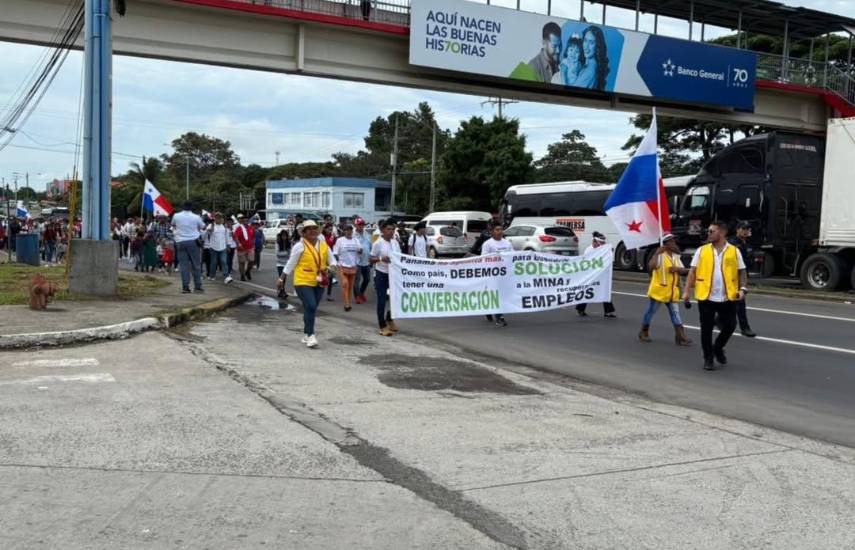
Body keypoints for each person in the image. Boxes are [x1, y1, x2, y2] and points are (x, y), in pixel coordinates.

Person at [683, 221, 748, 371]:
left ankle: (718, 347)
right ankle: (708, 357)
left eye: (712, 231)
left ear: (722, 233)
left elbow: (742, 271)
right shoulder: (702, 250)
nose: (709, 233)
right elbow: (692, 271)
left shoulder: (734, 251)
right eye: (709, 231)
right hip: (706, 296)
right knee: (706, 329)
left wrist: (743, 289)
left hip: (728, 296)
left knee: (730, 326)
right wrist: (686, 291)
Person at [278, 220, 337, 348]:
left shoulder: (323, 245)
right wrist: (281, 279)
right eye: (308, 229)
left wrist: (331, 268)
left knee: (311, 308)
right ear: (303, 233)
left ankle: (306, 334)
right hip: (302, 281)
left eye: (314, 228)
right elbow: (290, 264)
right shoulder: (299, 246)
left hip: (320, 280)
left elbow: (333, 261)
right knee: (311, 304)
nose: (312, 231)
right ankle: (311, 335)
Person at [638, 234, 692, 346]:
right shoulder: (660, 256)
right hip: (659, 291)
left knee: (675, 313)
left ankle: (680, 336)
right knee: (651, 312)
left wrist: (678, 269)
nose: (674, 243)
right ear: (666, 244)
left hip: (672, 292)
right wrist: (657, 253)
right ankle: (643, 332)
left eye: (674, 241)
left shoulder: (676, 256)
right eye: (671, 241)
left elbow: (682, 270)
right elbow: (651, 267)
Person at [371, 219, 401, 336]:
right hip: (381, 274)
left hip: (393, 275)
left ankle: (389, 318)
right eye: (388, 229)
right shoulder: (378, 243)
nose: (391, 231)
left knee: (395, 300)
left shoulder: (395, 243)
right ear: (383, 230)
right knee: (382, 301)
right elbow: (371, 258)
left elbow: (399, 257)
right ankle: (382, 326)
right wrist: (380, 259)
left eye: (393, 229)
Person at [576, 231, 616, 318]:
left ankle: (608, 311)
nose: (602, 244)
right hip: (591, 275)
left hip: (601, 274)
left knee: (605, 290)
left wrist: (610, 252)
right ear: (594, 241)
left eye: (603, 243)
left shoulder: (603, 250)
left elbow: (608, 261)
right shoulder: (589, 250)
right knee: (587, 291)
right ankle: (580, 309)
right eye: (600, 242)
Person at [481, 224, 513, 327]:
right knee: (496, 294)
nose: (500, 231)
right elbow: (484, 258)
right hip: (492, 274)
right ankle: (499, 317)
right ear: (492, 231)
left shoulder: (507, 243)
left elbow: (513, 255)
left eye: (501, 229)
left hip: (504, 274)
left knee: (503, 294)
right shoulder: (488, 244)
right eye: (497, 230)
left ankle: (489, 310)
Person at [729, 221, 757, 337]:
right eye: (743, 228)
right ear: (737, 229)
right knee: (739, 302)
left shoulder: (747, 244)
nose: (745, 231)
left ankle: (719, 319)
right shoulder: (732, 243)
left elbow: (749, 261)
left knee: (733, 302)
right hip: (733, 276)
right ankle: (745, 328)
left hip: (742, 276)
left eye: (747, 229)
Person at [172, 201, 206, 293]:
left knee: (184, 266)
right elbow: (203, 227)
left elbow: (173, 225)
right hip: (193, 242)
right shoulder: (196, 217)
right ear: (191, 207)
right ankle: (197, 287)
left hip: (180, 242)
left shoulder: (176, 215)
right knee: (196, 265)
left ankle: (185, 287)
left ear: (182, 207)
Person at [333, 224, 362, 311]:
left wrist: (360, 250)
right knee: (345, 284)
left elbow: (360, 251)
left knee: (350, 286)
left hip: (353, 266)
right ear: (344, 231)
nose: (349, 232)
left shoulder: (356, 240)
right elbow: (335, 253)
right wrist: (338, 262)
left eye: (350, 230)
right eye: (347, 230)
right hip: (342, 266)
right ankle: (346, 304)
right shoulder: (340, 240)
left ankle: (348, 301)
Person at [573, 26, 609, 90]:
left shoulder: (590, 70)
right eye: (585, 40)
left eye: (591, 43)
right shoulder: (588, 65)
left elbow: (571, 90)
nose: (586, 46)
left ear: (597, 46)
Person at [207, 213, 232, 283]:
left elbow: (227, 237)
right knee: (214, 262)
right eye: (217, 217)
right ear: (214, 218)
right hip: (213, 247)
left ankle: (227, 276)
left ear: (221, 218)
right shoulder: (211, 225)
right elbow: (208, 232)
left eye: (219, 217)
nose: (218, 219)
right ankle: (212, 275)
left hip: (223, 247)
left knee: (223, 261)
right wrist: (211, 228)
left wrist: (228, 246)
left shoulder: (224, 227)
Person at [352, 217, 372, 304]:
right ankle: (357, 296)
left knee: (367, 279)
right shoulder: (352, 235)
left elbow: (370, 246)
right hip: (357, 261)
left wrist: (371, 257)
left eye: (362, 224)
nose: (361, 226)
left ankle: (361, 293)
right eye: (359, 224)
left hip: (366, 261)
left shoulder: (367, 234)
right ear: (355, 225)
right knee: (357, 280)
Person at [233, 214, 255, 281]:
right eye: (244, 220)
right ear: (242, 221)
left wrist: (253, 244)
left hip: (249, 248)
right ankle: (242, 275)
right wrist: (238, 243)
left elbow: (253, 237)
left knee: (251, 260)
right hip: (241, 248)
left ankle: (247, 271)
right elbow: (235, 236)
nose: (246, 221)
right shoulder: (239, 228)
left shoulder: (251, 228)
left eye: (247, 220)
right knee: (242, 262)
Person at [322, 224, 338, 301]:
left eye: (331, 229)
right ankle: (318, 291)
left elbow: (337, 245)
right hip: (321, 258)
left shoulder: (333, 237)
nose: (330, 231)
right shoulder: (321, 237)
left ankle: (329, 295)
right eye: (328, 229)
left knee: (330, 277)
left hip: (330, 258)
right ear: (324, 229)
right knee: (320, 276)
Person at [275, 229, 292, 298]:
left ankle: (280, 291)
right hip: (279, 263)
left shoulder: (288, 243)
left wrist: (288, 254)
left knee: (284, 279)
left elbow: (290, 252)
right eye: (283, 236)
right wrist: (286, 253)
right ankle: (282, 291)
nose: (284, 237)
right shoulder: (278, 243)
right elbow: (277, 253)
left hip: (286, 263)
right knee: (281, 278)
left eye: (285, 236)